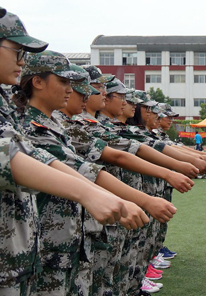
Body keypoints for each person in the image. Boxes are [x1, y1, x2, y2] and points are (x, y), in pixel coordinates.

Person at [0, 11, 128, 296]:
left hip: (28, 250)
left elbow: (42, 158)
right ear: (38, 82)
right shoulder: (25, 119)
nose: (75, 93)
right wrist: (90, 193)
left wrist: (97, 194)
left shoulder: (9, 110)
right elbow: (9, 156)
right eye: (16, 50)